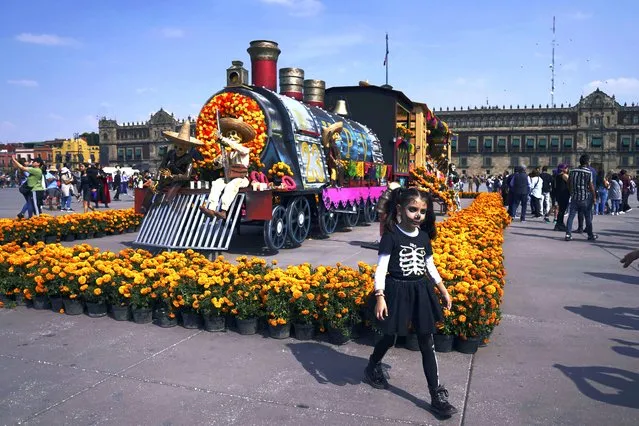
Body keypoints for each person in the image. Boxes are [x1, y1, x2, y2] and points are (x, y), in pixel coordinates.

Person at [365, 187, 458, 418]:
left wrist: (443, 290)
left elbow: (430, 266)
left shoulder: (424, 237)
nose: (418, 215)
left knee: (427, 340)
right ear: (399, 209)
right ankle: (372, 364)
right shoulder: (391, 236)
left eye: (423, 211)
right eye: (413, 209)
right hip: (396, 290)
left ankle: (436, 394)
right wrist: (380, 296)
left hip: (420, 291)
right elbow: (381, 269)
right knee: (390, 336)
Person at [200, 117, 255, 221]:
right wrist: (217, 161)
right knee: (217, 183)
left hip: (241, 179)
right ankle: (211, 209)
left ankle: (224, 211)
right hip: (230, 176)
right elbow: (219, 165)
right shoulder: (229, 153)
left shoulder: (244, 149)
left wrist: (223, 140)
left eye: (233, 134)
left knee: (231, 186)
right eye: (228, 134)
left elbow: (236, 146)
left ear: (240, 137)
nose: (230, 136)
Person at [565, 154, 598, 241]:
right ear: (587, 162)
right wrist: (594, 197)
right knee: (587, 217)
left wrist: (571, 192)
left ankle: (568, 234)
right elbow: (591, 186)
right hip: (585, 198)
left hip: (574, 197)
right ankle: (590, 235)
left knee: (571, 216)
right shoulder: (588, 172)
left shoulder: (572, 171)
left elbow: (568, 183)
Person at [322, 121, 345, 187]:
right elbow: (330, 154)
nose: (338, 136)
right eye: (336, 134)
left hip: (335, 160)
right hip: (331, 160)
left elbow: (337, 154)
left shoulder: (334, 144)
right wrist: (334, 160)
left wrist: (339, 159)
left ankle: (338, 184)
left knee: (339, 170)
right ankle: (333, 184)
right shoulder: (331, 144)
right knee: (334, 171)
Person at [553, 164, 570, 231]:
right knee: (562, 210)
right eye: (566, 168)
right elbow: (570, 182)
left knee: (561, 210)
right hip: (564, 194)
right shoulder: (564, 175)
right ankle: (559, 225)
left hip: (559, 194)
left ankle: (560, 224)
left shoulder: (557, 175)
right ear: (563, 169)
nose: (568, 169)